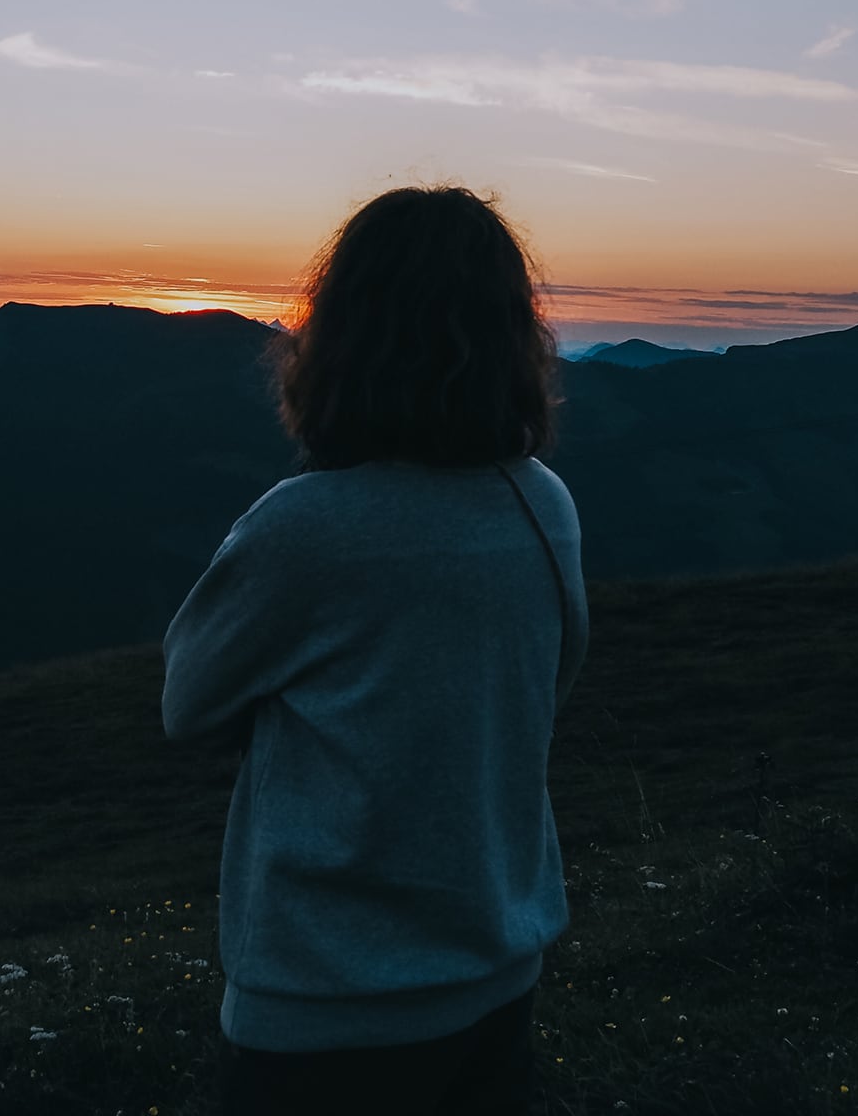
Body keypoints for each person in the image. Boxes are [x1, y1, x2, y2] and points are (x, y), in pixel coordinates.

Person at [161, 185, 588, 1115]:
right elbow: (549, 681)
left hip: (325, 999)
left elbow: (187, 700)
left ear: (340, 331)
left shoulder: (308, 526)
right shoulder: (542, 503)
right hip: (497, 972)